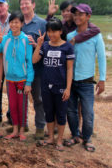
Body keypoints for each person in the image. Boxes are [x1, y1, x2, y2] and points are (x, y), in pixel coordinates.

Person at [65, 4, 106, 152]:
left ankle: (87, 138)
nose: (77, 17)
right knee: (71, 111)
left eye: (81, 14)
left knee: (88, 113)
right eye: (75, 14)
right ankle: (75, 135)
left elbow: (101, 58)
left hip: (87, 82)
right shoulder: (70, 37)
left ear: (88, 17)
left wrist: (102, 79)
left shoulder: (96, 36)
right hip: (71, 81)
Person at [0, 11, 34, 141]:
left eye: (17, 22)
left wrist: (29, 82)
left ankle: (21, 130)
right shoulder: (5, 39)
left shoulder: (26, 40)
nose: (14, 24)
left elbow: (29, 62)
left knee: (22, 106)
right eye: (12, 22)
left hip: (22, 80)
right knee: (12, 105)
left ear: (21, 24)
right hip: (9, 80)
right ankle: (15, 129)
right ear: (9, 24)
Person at [33, 18, 74, 151]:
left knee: (61, 113)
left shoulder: (67, 47)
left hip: (61, 86)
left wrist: (68, 88)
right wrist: (39, 45)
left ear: (61, 31)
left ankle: (60, 140)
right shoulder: (45, 45)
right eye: (49, 31)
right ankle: (50, 137)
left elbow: (69, 69)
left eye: (54, 31)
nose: (51, 34)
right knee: (48, 112)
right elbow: (34, 60)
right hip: (46, 86)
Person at [19, 0, 46, 139]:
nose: (24, 6)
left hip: (37, 68)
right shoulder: (18, 23)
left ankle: (40, 127)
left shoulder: (42, 23)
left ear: (33, 4)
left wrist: (36, 45)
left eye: (27, 3)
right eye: (22, 4)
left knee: (38, 98)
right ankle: (22, 124)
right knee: (21, 98)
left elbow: (49, 46)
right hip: (20, 68)